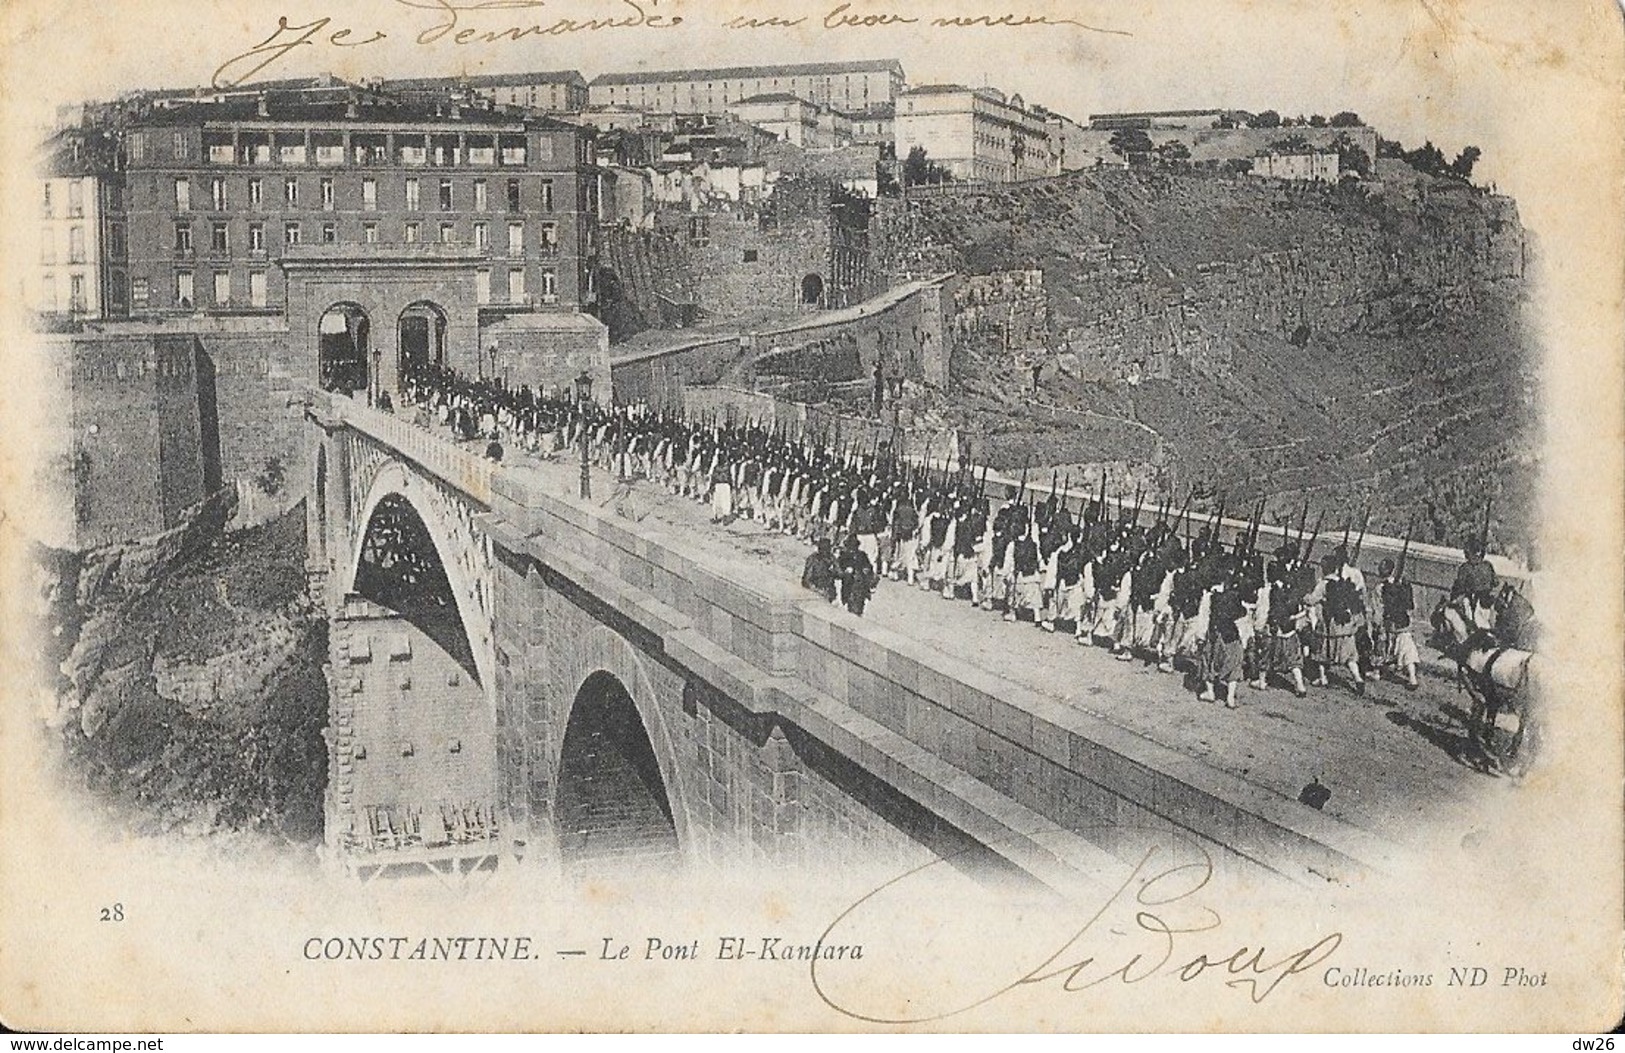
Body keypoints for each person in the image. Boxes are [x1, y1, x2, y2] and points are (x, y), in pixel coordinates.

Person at [1373, 557, 1419, 690]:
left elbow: (1378, 609)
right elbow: (1410, 606)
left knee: (1382, 645)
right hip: (1402, 622)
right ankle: (1412, 678)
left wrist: (1377, 624)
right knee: (1407, 649)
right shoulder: (1403, 585)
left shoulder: (1379, 588)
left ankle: (1377, 671)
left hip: (1388, 622)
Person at [836, 533, 877, 616]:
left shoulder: (862, 555)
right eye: (851, 546)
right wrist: (845, 571)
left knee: (859, 605)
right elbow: (838, 569)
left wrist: (867, 570)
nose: (852, 548)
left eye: (854, 546)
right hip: (849, 584)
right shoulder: (844, 556)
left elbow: (868, 566)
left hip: (860, 584)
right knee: (849, 603)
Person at [801, 537, 838, 604]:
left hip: (829, 591)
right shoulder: (813, 559)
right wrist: (816, 590)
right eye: (823, 549)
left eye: (827, 549)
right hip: (814, 592)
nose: (825, 552)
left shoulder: (831, 558)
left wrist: (834, 571)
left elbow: (839, 572)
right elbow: (806, 580)